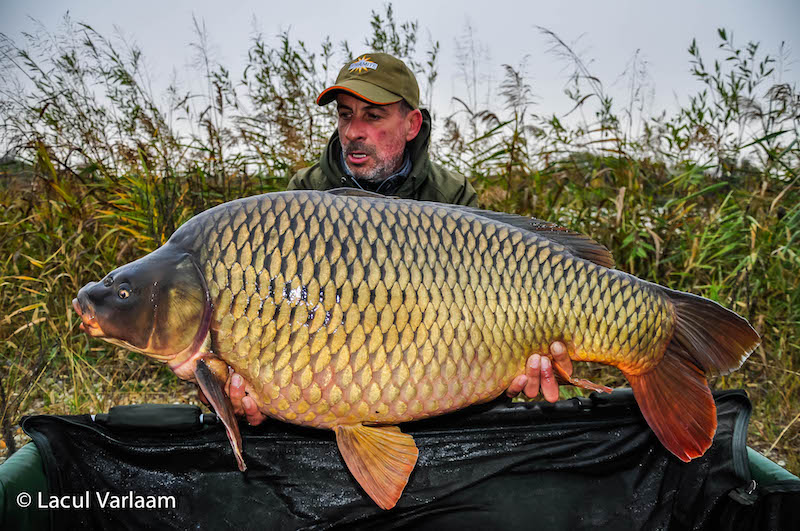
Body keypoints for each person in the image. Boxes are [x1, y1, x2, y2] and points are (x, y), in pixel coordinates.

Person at [218, 53, 572, 426]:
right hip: (340, 385)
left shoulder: (451, 196)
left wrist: (505, 372)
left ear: (411, 124)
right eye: (345, 114)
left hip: (438, 384)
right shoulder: (303, 195)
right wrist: (262, 389)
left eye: (373, 116)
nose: (354, 130)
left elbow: (487, 310)